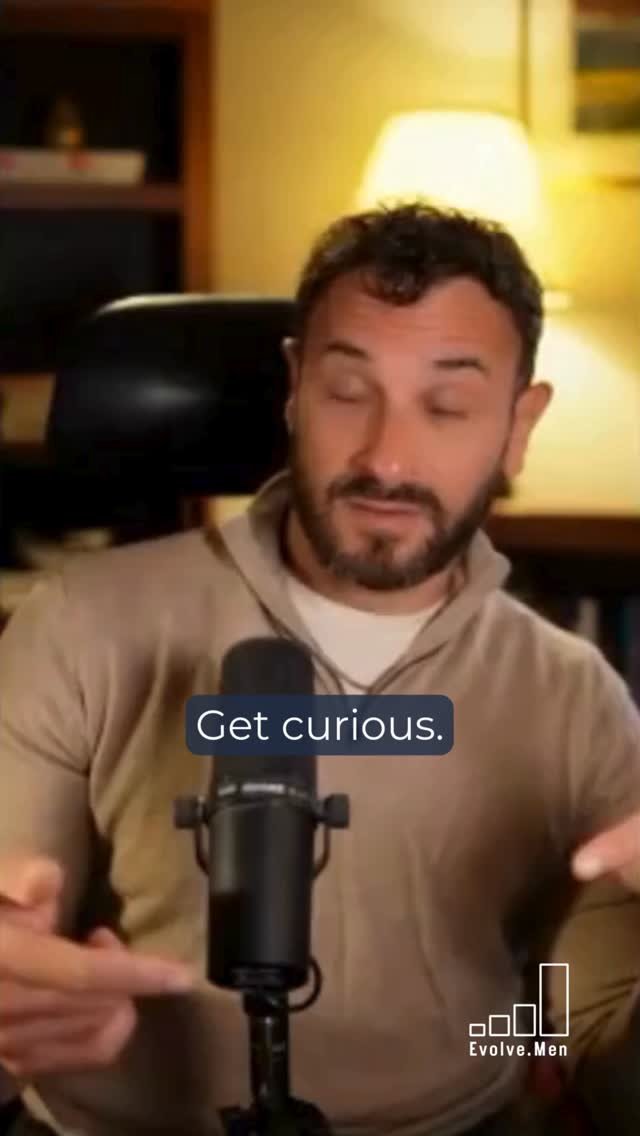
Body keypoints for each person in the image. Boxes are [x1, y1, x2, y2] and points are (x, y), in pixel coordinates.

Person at [1, 201, 640, 1136]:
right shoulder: (79, 626)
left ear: (518, 423)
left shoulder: (574, 696)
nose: (388, 458)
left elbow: (590, 1048)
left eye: (447, 406)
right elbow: (16, 931)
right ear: (296, 387)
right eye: (347, 391)